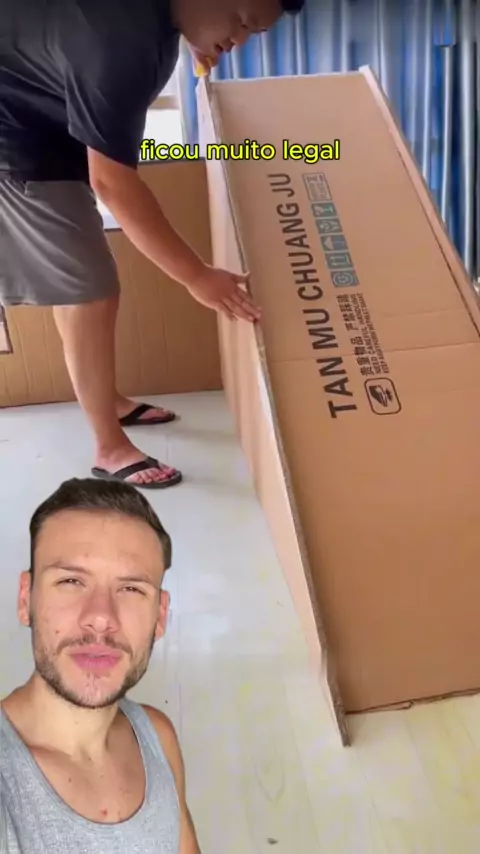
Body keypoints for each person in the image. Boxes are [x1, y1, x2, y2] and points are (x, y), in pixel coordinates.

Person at [0, 0, 305, 490]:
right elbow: (112, 184)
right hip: (15, 139)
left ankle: (109, 402)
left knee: (89, 283)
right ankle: (108, 446)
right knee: (88, 291)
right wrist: (197, 276)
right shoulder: (121, 40)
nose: (239, 41)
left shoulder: (153, 20)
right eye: (242, 22)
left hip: (42, 124)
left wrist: (198, 38)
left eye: (254, 32)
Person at [0, 477, 200, 853]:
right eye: (71, 581)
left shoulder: (157, 738)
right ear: (26, 599)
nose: (100, 617)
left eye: (131, 589)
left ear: (160, 616)